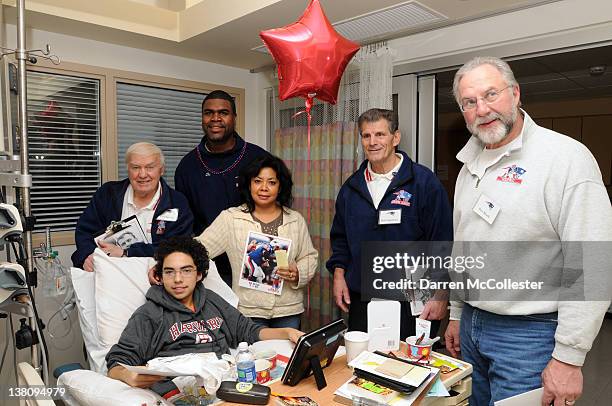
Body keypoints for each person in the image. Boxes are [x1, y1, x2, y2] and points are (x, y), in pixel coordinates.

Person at [444, 56, 612, 406]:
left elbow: (595, 262)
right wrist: (458, 315)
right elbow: (463, 248)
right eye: (470, 102)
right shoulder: (468, 164)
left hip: (530, 334)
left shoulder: (565, 158)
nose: (483, 109)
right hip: (474, 325)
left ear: (516, 93)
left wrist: (569, 356)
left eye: (491, 94)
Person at [106, 236, 303, 390]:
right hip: (183, 391)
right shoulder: (149, 314)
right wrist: (127, 375)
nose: (177, 279)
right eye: (169, 272)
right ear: (160, 276)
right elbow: (117, 361)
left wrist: (287, 332)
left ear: (199, 274)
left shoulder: (211, 300)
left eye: (186, 270)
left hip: (225, 382)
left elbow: (248, 331)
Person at [326, 108, 453, 340]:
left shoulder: (424, 183)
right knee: (364, 365)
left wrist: (441, 293)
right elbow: (341, 238)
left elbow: (442, 242)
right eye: (366, 136)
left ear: (396, 137)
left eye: (380, 135)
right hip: (364, 296)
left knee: (411, 366)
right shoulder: (351, 188)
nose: (372, 142)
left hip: (414, 296)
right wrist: (339, 275)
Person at [196, 155, 318, 329]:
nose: (264, 188)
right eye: (258, 181)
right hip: (248, 311)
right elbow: (200, 248)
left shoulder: (295, 220)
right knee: (254, 356)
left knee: (288, 356)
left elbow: (309, 256)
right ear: (249, 184)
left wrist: (298, 272)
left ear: (280, 186)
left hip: (288, 310)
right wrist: (163, 261)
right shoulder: (231, 218)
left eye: (272, 182)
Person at [175, 90, 269, 287]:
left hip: (254, 263)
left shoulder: (259, 159)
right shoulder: (187, 166)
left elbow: (277, 209)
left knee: (253, 319)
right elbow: (185, 222)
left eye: (223, 113)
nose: (215, 118)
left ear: (234, 117)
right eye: (208, 113)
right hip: (209, 267)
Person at [72, 142, 193, 272]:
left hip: (156, 275)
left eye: (150, 167)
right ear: (128, 169)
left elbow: (177, 247)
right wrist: (87, 256)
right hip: (108, 272)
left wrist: (126, 252)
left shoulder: (177, 203)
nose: (142, 174)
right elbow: (84, 232)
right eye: (135, 167)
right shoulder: (107, 194)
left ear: (161, 170)